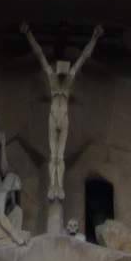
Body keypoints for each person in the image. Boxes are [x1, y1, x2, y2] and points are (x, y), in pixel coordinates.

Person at [22, 21, 104, 202]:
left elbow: (83, 57)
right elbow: (40, 55)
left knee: (60, 156)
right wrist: (29, 34)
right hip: (53, 118)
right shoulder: (52, 79)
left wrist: (95, 37)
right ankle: (53, 185)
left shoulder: (69, 80)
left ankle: (58, 186)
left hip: (63, 118)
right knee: (54, 155)